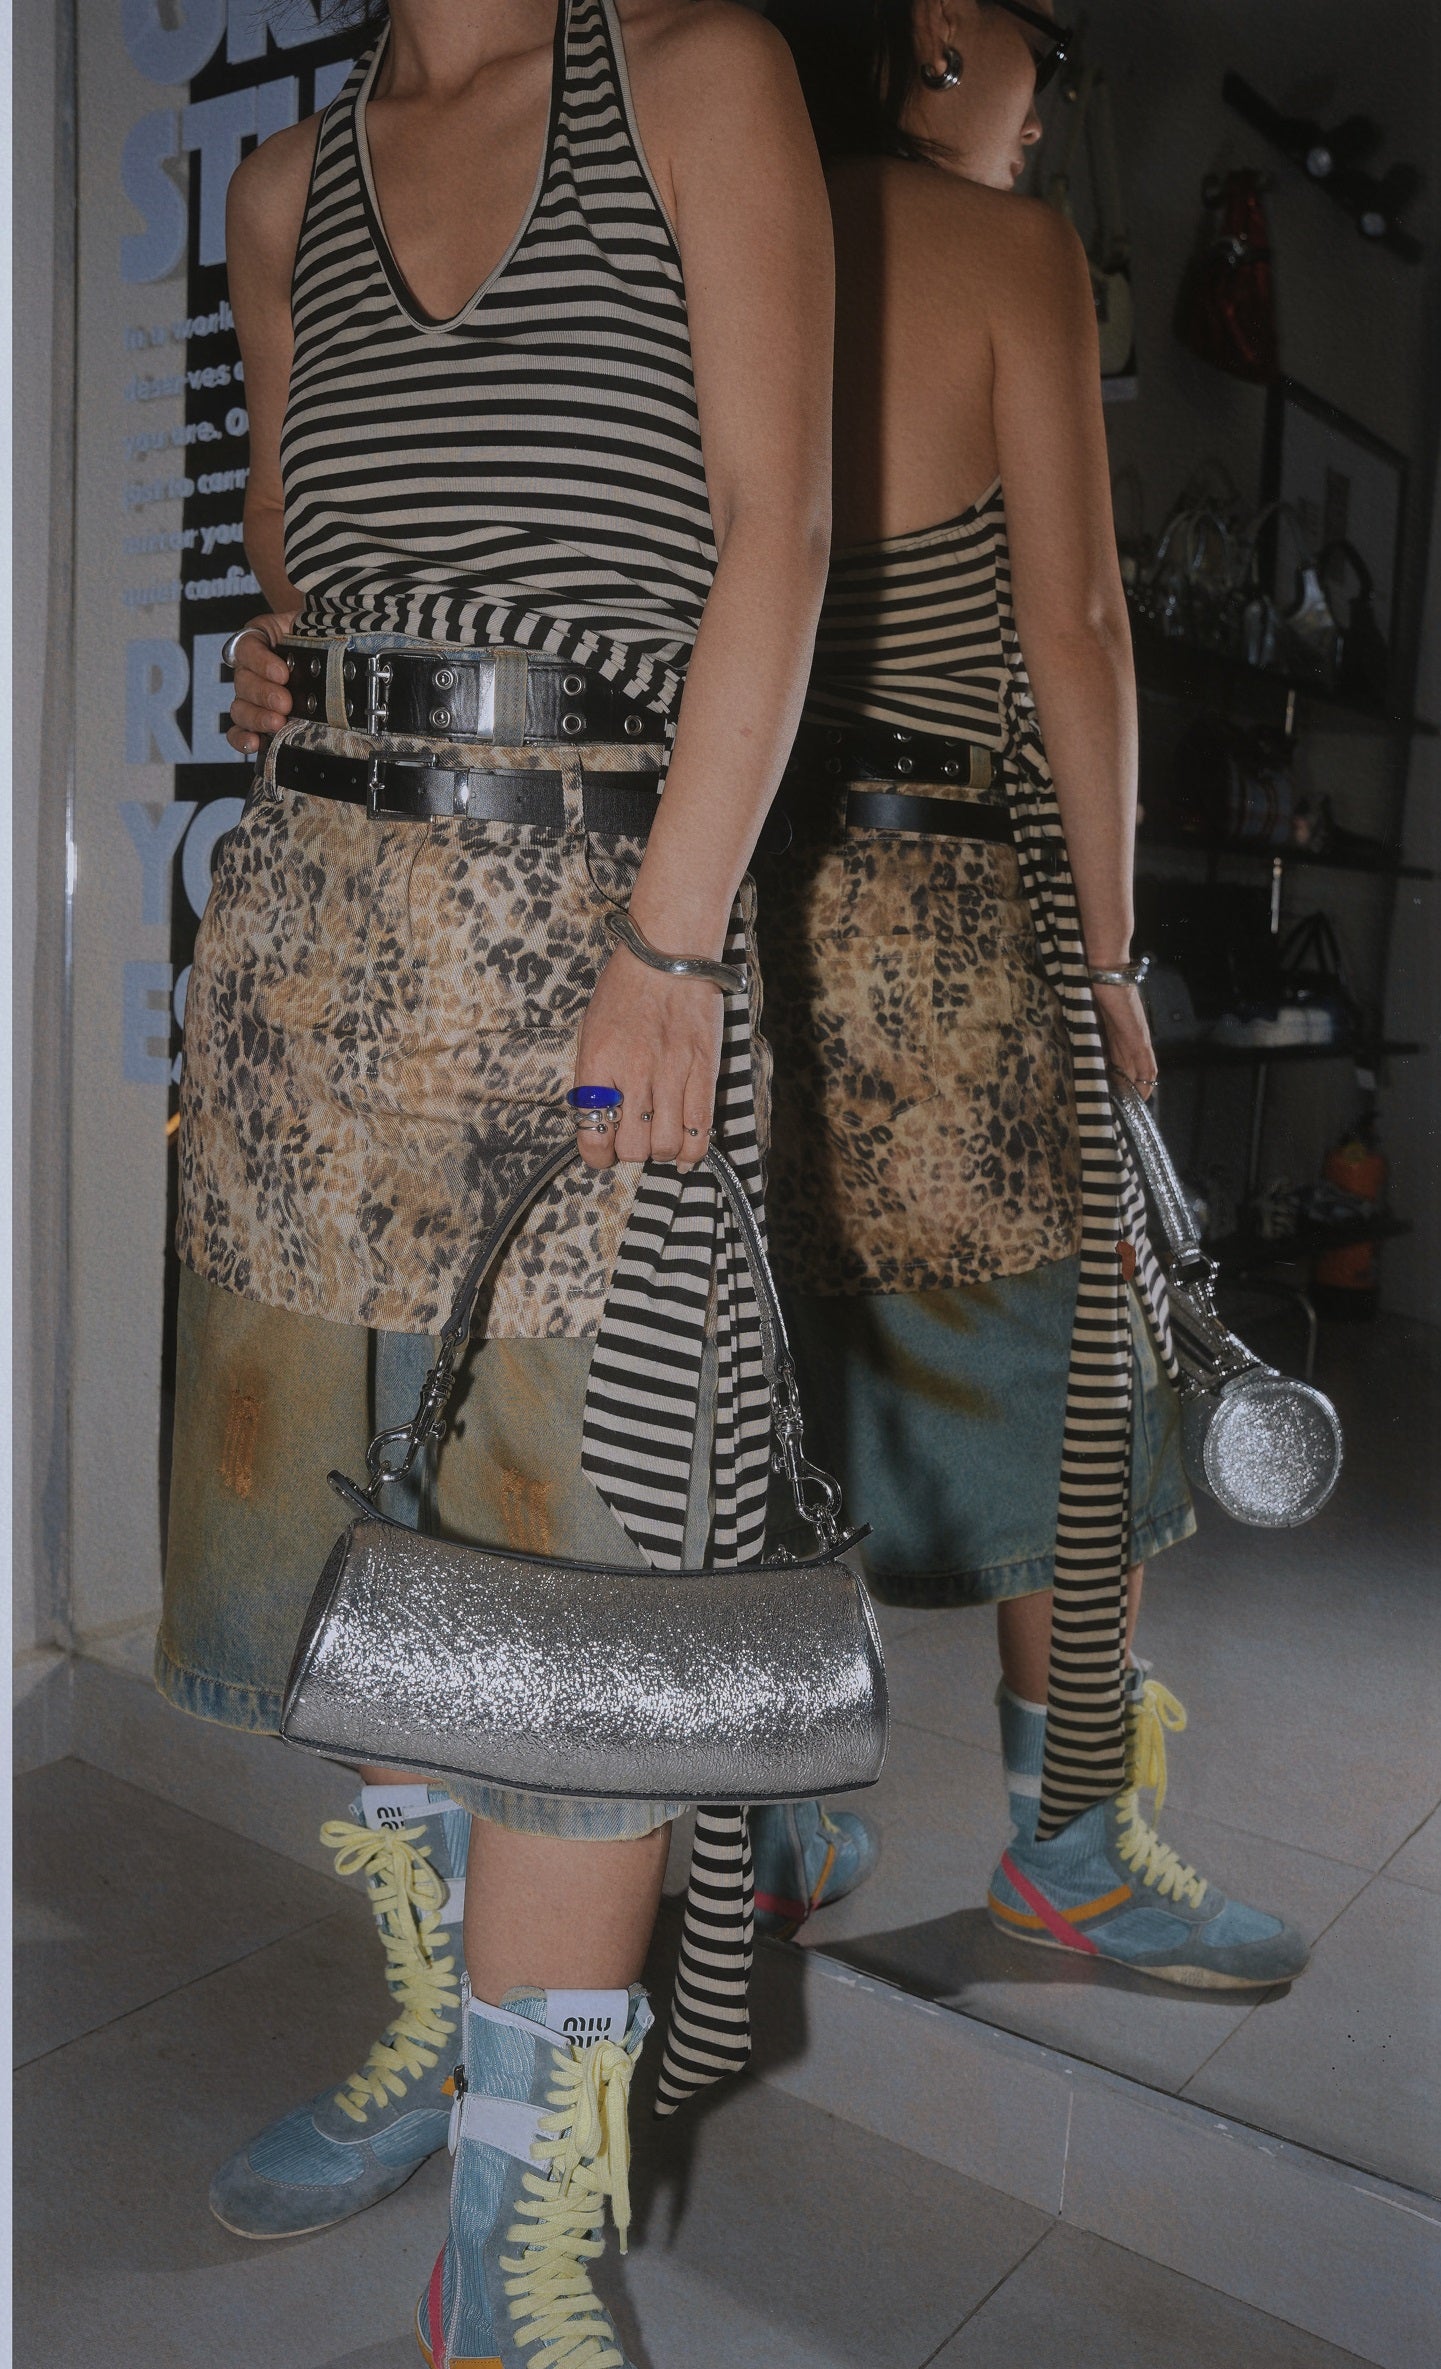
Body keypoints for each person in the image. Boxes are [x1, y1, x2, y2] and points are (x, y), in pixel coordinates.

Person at [174, 2, 832, 2359]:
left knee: (586, 1632)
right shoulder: (282, 193)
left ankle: (515, 2238)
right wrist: (278, 667)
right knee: (358, 1569)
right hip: (309, 962)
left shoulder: (694, 75)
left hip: (593, 947)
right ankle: (431, 2049)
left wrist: (674, 944)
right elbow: (301, 573)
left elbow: (779, 533)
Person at [760, 0, 1308, 1987]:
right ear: (938, 26)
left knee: (776, 1362)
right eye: (1043, 44)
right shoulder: (1004, 250)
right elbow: (1074, 623)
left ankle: (769, 1820)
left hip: (755, 906)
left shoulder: (728, 209)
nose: (1050, 94)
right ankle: (1068, 1844)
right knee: (1091, 1367)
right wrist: (1104, 950)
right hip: (951, 917)